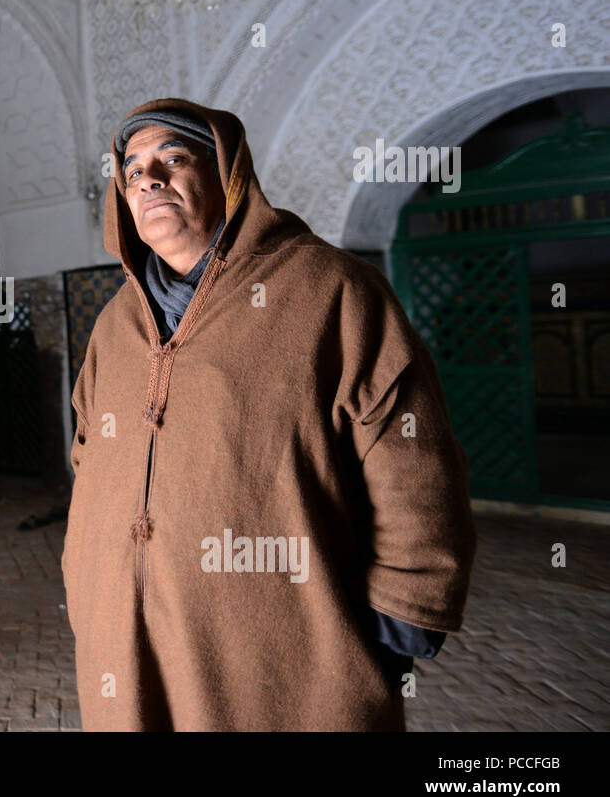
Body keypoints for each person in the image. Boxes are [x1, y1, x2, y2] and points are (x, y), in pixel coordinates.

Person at [61, 98, 476, 730]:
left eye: (173, 158)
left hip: (286, 652)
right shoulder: (114, 325)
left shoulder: (330, 290)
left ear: (228, 174)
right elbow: (87, 455)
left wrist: (406, 608)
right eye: (133, 169)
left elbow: (412, 456)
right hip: (124, 640)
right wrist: (83, 573)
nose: (149, 179)